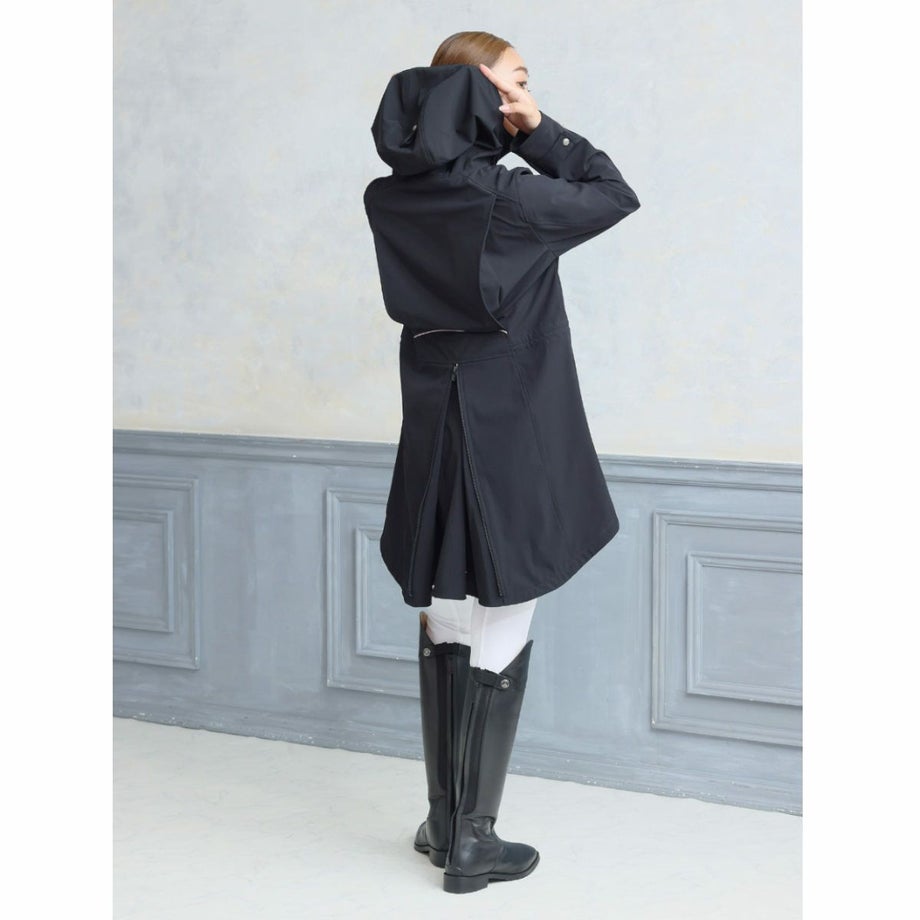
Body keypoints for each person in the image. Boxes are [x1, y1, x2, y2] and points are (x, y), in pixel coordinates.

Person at [363, 31, 640, 893]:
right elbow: (612, 192)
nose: (525, 91)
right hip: (512, 424)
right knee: (508, 597)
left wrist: (498, 116)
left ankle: (445, 822)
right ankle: (475, 840)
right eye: (515, 80)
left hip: (435, 422)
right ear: (482, 92)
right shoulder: (509, 197)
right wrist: (537, 128)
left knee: (446, 603)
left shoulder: (391, 198)